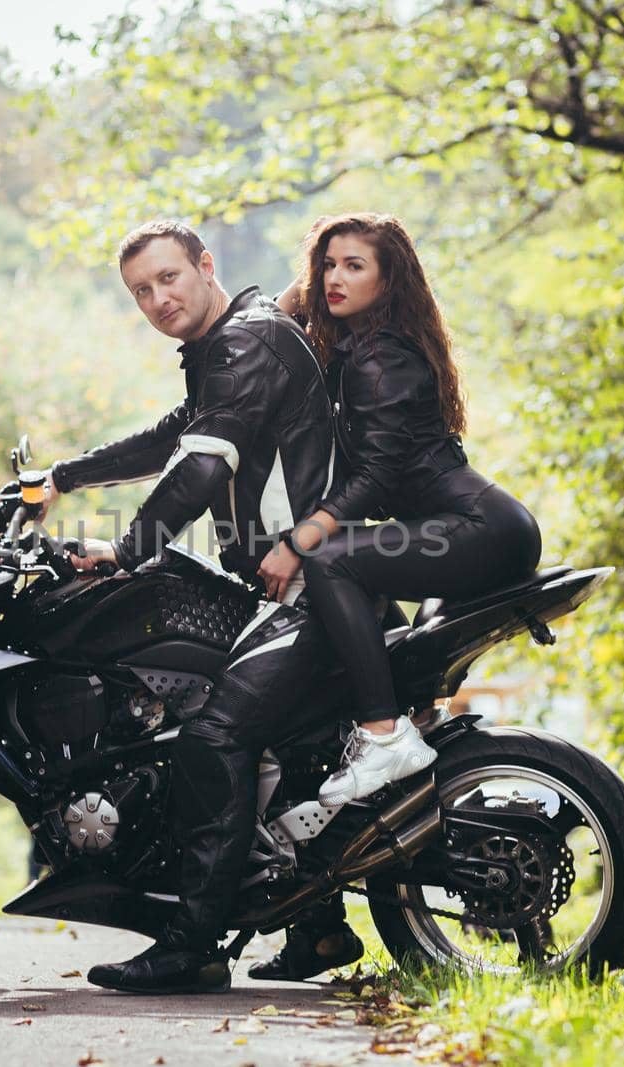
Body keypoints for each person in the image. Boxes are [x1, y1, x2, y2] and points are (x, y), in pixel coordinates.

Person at [40, 220, 338, 994]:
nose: (157, 298)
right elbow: (178, 436)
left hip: (316, 587)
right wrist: (63, 476)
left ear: (206, 266)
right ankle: (319, 926)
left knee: (213, 737)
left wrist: (126, 550)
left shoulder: (248, 341)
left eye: (169, 277)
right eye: (141, 290)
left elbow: (200, 468)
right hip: (288, 581)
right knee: (264, 728)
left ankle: (193, 944)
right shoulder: (225, 349)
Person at [245, 213, 543, 981]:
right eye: (328, 266)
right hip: (464, 531)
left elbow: (374, 480)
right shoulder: (365, 346)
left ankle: (382, 736)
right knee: (365, 606)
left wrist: (299, 539)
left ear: (389, 280)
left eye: (354, 266)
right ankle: (384, 800)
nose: (336, 280)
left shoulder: (379, 357)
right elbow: (277, 319)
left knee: (335, 562)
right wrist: (307, 285)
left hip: (476, 531)